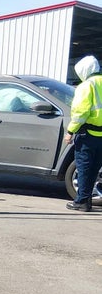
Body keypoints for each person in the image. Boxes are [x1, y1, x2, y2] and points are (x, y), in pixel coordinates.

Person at [64, 55, 102, 212]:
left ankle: (82, 201)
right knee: (94, 168)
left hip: (88, 134)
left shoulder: (87, 86)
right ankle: (87, 201)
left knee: (84, 167)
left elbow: (80, 112)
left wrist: (70, 131)